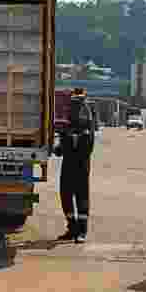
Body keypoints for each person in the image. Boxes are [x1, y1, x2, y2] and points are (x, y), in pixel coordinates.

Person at [54, 88, 95, 243]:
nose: (75, 104)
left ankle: (82, 231)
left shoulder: (87, 112)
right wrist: (60, 148)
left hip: (81, 163)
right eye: (73, 101)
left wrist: (71, 140)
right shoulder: (70, 114)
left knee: (81, 196)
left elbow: (88, 141)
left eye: (78, 101)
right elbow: (64, 138)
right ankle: (72, 228)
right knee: (66, 194)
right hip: (69, 162)